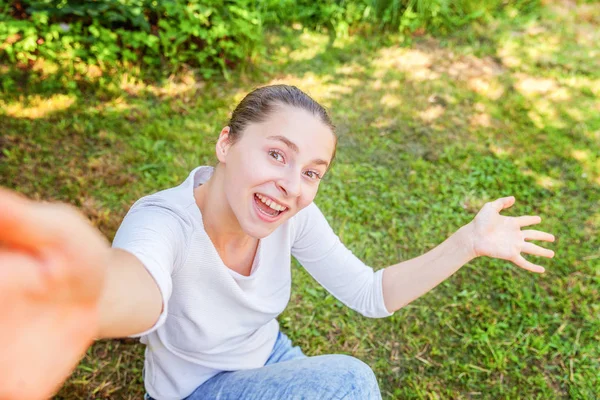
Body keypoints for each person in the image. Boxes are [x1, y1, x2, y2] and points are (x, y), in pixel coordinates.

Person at [0, 85, 555, 400]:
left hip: (270, 359)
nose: (291, 186)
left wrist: (467, 242)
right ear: (226, 143)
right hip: (194, 390)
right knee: (350, 382)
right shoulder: (162, 221)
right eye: (276, 155)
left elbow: (369, 292)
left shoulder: (293, 218)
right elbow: (136, 288)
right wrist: (81, 298)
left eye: (312, 172)